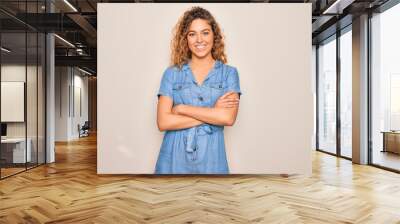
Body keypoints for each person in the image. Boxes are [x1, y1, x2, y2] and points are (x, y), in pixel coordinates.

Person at [155, 6, 241, 174]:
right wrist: (213, 113)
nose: (199, 40)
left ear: (214, 35)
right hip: (173, 159)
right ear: (185, 39)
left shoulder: (229, 74)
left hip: (213, 159)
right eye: (192, 34)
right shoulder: (171, 74)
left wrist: (181, 109)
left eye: (205, 32)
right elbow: (163, 122)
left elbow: (228, 117)